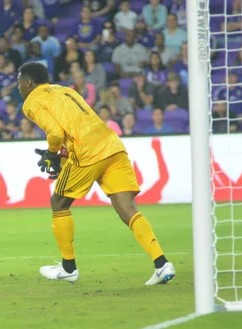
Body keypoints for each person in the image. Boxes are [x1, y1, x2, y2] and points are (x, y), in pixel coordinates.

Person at [17, 61, 174, 284]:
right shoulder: (66, 90)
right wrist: (62, 155)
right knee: (127, 209)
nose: (18, 88)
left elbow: (54, 133)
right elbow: (79, 126)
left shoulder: (32, 100)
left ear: (29, 82)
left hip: (87, 152)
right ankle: (162, 264)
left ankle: (68, 268)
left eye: (19, 83)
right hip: (112, 145)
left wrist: (52, 153)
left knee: (59, 202)